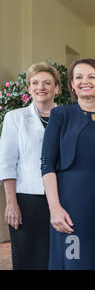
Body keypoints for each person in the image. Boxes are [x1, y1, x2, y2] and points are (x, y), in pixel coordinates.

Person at [41, 58, 95, 270]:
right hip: (71, 204)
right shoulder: (61, 114)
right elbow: (47, 164)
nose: (84, 81)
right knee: (75, 260)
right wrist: (55, 208)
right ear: (71, 84)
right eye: (78, 77)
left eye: (91, 76)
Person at [0, 62, 60, 269]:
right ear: (29, 88)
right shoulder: (14, 118)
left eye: (46, 82)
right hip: (27, 200)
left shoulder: (68, 117)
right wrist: (11, 202)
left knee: (58, 257)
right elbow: (7, 162)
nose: (40, 87)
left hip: (62, 198)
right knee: (28, 259)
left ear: (57, 88)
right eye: (35, 82)